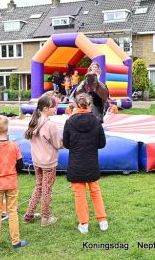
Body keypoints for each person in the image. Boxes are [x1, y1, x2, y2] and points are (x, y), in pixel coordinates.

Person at [63, 93, 108, 234]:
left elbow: (67, 144)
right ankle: (102, 221)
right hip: (91, 161)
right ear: (89, 105)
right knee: (95, 190)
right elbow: (102, 144)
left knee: (80, 194)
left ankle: (84, 223)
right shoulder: (96, 121)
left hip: (76, 162)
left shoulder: (69, 122)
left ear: (75, 105)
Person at [0, 115, 29, 248]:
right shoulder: (14, 146)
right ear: (7, 129)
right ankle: (16, 241)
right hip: (11, 183)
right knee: (13, 212)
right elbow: (20, 165)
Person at [23, 95, 61, 227]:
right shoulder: (50, 125)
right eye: (54, 106)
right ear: (46, 109)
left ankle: (29, 214)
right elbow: (57, 144)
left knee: (39, 187)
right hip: (48, 163)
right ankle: (46, 217)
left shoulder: (34, 121)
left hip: (37, 161)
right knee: (47, 189)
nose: (56, 108)